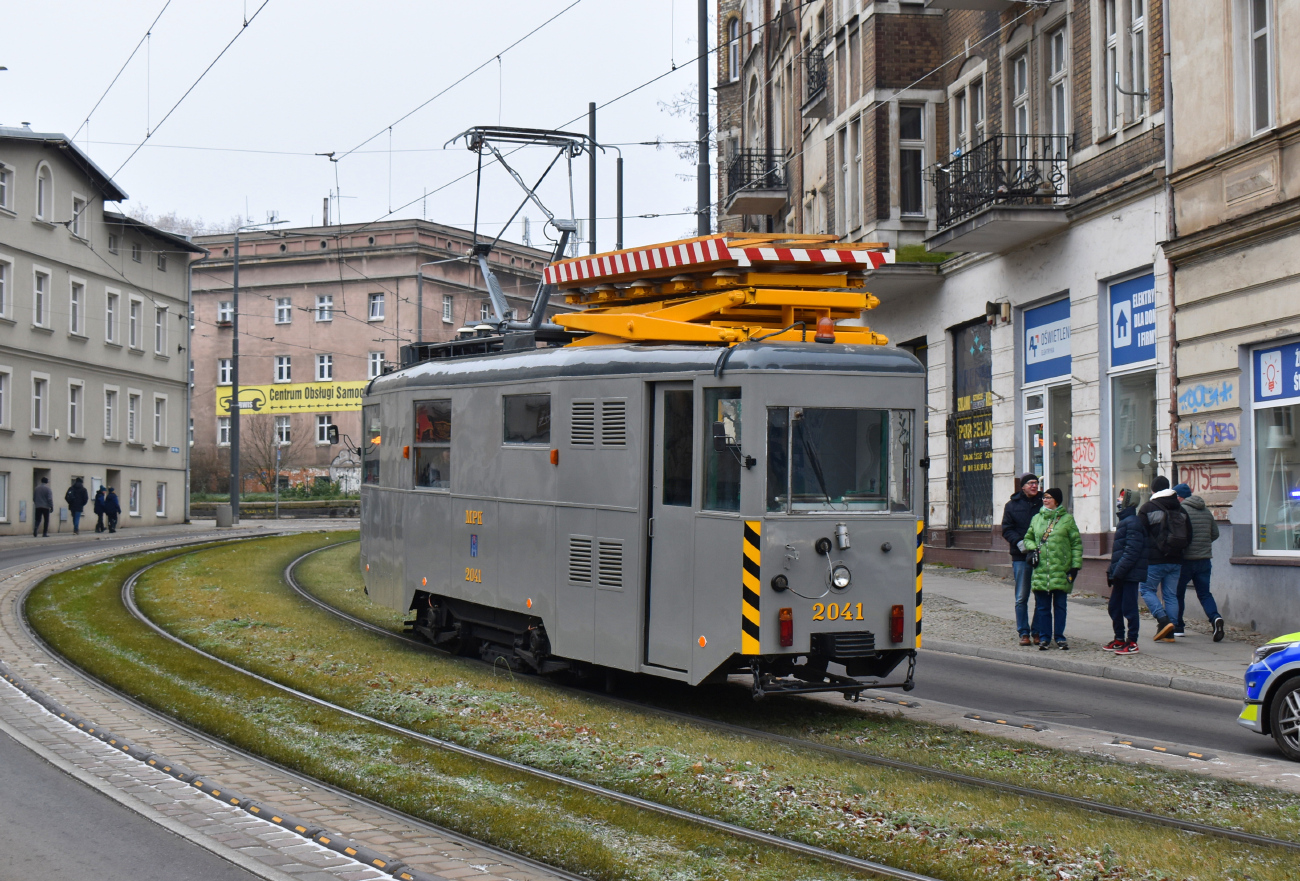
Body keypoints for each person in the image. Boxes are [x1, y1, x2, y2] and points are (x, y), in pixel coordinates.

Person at [1022, 487, 1082, 650]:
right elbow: (1027, 538)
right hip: (1041, 570)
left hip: (1061, 569)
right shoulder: (1036, 518)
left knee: (1060, 606)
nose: (1045, 500)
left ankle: (1060, 637)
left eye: (1049, 497)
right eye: (1044, 497)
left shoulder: (1067, 520)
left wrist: (1075, 566)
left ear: (1057, 500)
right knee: (1043, 607)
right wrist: (1033, 548)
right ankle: (1044, 638)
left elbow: (1076, 544)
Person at [1138, 475, 1189, 643]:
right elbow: (1189, 535)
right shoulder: (1181, 510)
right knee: (1170, 595)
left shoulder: (1147, 508)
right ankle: (1170, 631)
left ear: (1153, 490)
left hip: (1154, 560)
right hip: (1176, 560)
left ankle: (1163, 620)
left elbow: (1140, 534)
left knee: (1146, 590)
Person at [1173, 482, 1226, 641]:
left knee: (1178, 593)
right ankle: (1215, 618)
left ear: (1180, 497)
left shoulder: (1181, 511)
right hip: (1204, 560)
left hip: (1186, 560)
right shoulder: (1206, 511)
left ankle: (1178, 627)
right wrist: (1203, 544)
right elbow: (1215, 534)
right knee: (1204, 593)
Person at [1001, 473, 1043, 646]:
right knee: (1021, 596)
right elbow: (1006, 529)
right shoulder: (1012, 505)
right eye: (1030, 483)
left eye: (1036, 483)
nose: (1034, 486)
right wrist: (1019, 542)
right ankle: (1023, 632)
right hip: (1021, 556)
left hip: (1041, 555)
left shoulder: (1044, 502)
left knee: (1041, 596)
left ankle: (1037, 631)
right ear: (1023, 486)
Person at [1105, 489, 1147, 655]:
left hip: (1129, 574)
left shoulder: (1133, 522)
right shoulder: (1125, 521)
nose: (1118, 499)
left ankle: (1132, 641)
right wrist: (1113, 570)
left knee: (1129, 608)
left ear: (1128, 501)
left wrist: (1118, 571)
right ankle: (1119, 639)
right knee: (1114, 607)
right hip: (1122, 573)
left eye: (1122, 497)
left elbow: (1131, 551)